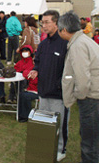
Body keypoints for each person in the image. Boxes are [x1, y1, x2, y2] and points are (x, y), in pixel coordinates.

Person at [58, 11, 99, 163]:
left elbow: (83, 79)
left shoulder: (78, 46)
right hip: (96, 97)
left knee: (89, 143)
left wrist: (78, 95)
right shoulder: (86, 41)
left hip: (92, 99)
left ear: (64, 30)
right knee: (90, 137)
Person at [28, 10, 69, 162]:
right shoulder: (43, 44)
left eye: (46, 22)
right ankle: (45, 147)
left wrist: (59, 85)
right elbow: (37, 62)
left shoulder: (65, 43)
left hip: (59, 94)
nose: (43, 26)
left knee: (60, 123)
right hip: (43, 91)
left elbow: (69, 69)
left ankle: (61, 150)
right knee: (45, 123)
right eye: (42, 23)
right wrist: (35, 70)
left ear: (56, 23)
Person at [11, 45, 38, 122]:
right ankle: (21, 114)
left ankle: (25, 116)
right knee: (21, 92)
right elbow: (26, 72)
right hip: (30, 87)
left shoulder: (39, 68)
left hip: (37, 90)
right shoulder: (32, 66)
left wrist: (29, 74)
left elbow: (34, 79)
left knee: (23, 95)